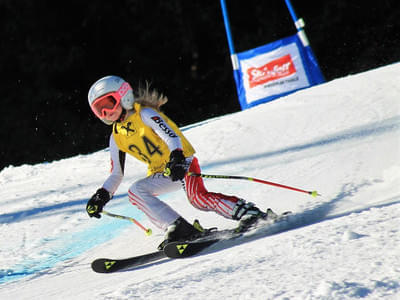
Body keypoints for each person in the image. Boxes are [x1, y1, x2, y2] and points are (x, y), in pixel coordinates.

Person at [85, 75, 276, 249]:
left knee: (198, 198)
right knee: (136, 191)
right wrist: (102, 195)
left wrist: (176, 158)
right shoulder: (116, 138)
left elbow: (171, 136)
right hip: (162, 173)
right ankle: (178, 227)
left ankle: (249, 213)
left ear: (123, 95)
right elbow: (116, 174)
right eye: (99, 110)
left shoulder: (144, 114)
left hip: (181, 162)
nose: (105, 112)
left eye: (108, 104)